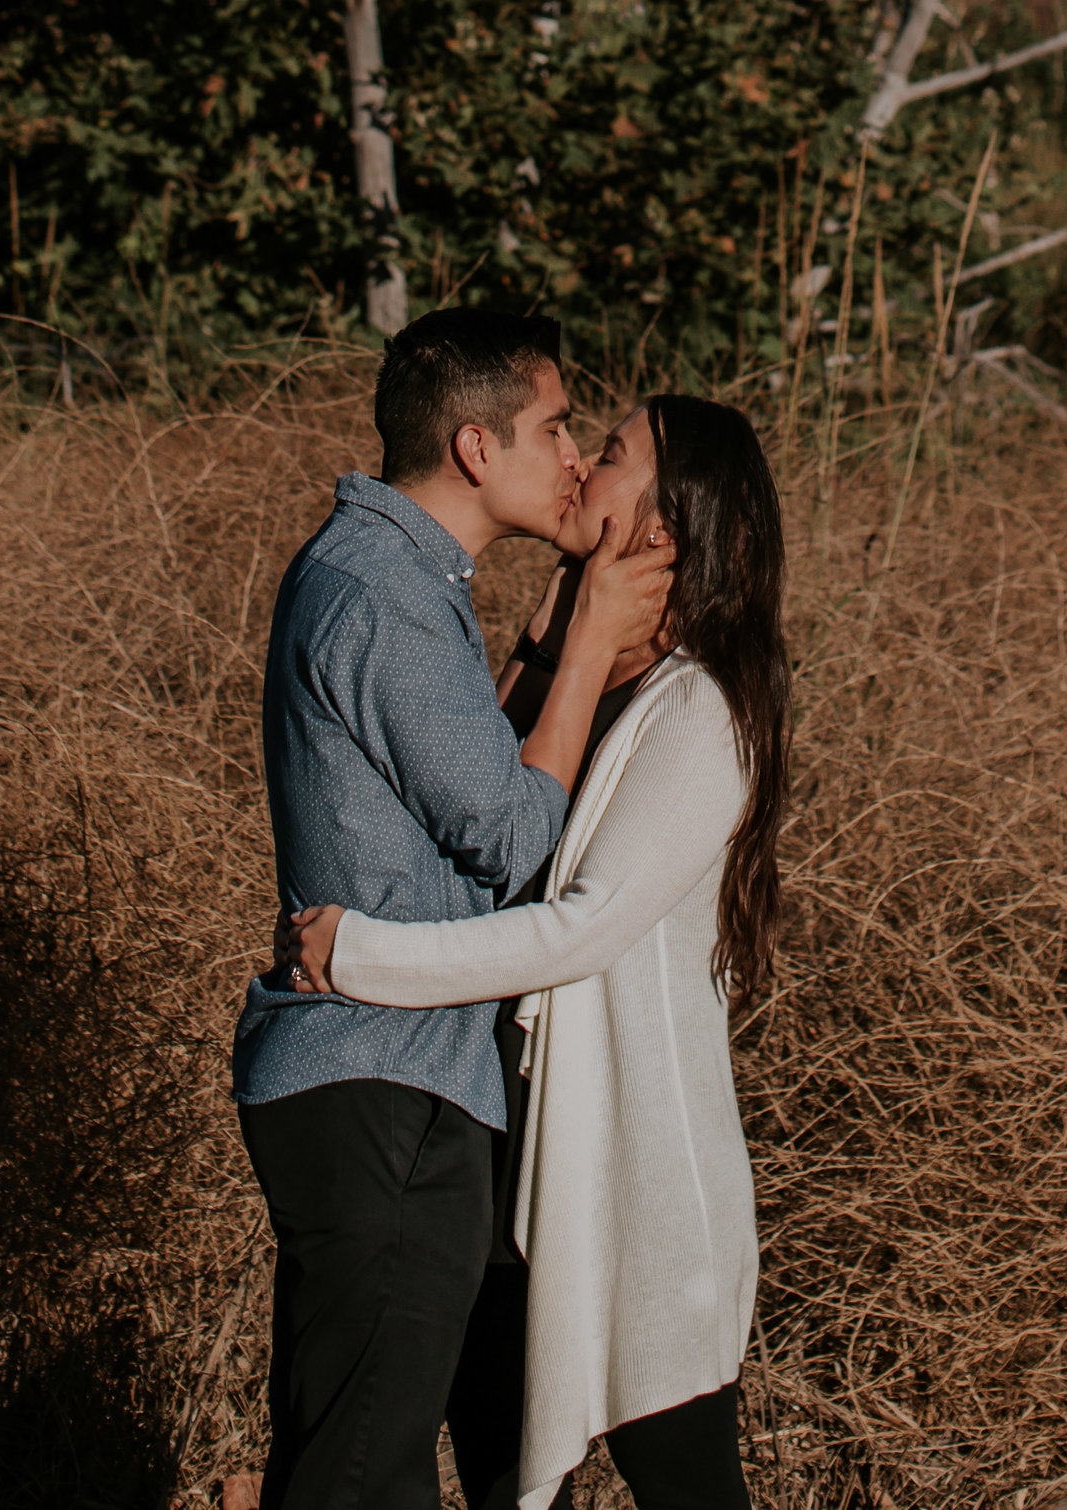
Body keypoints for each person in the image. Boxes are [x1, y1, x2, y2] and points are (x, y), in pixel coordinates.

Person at [284, 396, 791, 1510]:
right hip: (518, 1174)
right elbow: (491, 833)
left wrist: (358, 955)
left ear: (667, 523)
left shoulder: (699, 711)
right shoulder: (590, 677)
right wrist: (569, 630)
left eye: (608, 454)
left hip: (640, 1189)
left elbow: (578, 929)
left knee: (689, 1493)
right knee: (508, 1481)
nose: (577, 465)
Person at [233, 306, 675, 1510]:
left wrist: (549, 628)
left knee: (358, 1462)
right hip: (382, 1075)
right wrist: (584, 650)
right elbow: (512, 838)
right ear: (475, 449)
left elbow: (458, 780)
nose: (575, 456)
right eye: (553, 429)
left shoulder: (396, 580)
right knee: (362, 1477)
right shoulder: (379, 592)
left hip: (399, 1080)